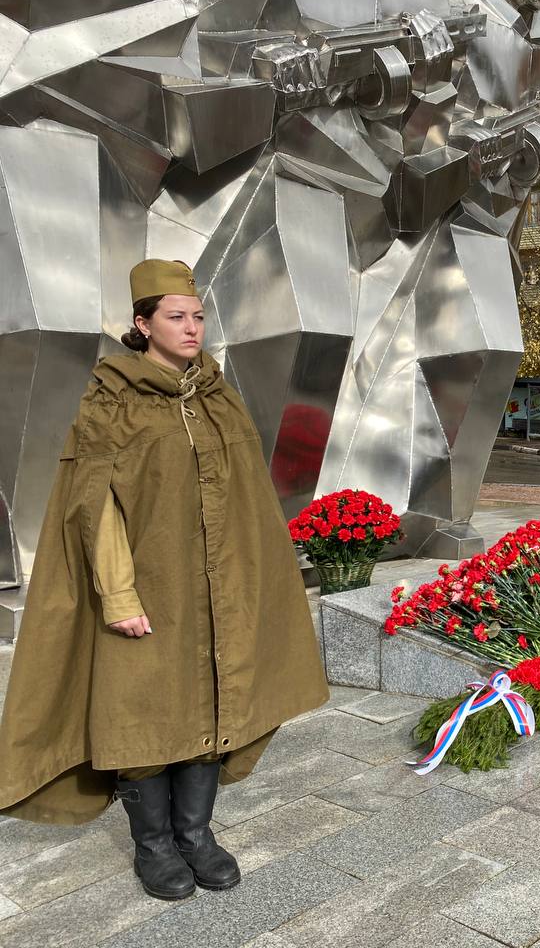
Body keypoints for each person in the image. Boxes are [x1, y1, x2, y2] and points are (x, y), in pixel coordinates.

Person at [0, 260, 330, 900]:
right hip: (149, 585)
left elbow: (249, 499)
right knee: (141, 714)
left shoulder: (217, 395)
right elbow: (94, 504)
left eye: (198, 316)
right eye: (176, 317)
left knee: (212, 699)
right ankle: (153, 845)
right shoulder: (112, 399)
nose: (191, 328)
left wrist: (256, 582)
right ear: (143, 324)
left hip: (218, 587)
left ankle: (195, 835)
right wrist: (118, 595)